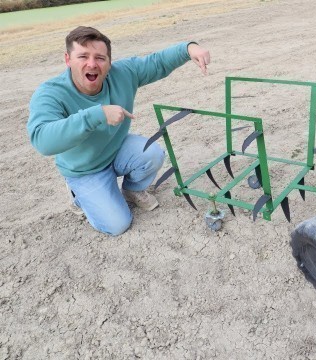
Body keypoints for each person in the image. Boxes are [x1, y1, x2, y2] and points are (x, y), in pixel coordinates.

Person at [27, 26, 211, 236]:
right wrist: (97, 115)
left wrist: (189, 49)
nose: (92, 64)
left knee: (152, 153)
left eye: (100, 57)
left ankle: (132, 189)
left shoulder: (123, 73)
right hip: (84, 169)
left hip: (115, 150)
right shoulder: (50, 93)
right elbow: (42, 141)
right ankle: (78, 195)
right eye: (83, 56)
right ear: (68, 59)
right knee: (117, 224)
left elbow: (157, 62)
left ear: (109, 62)